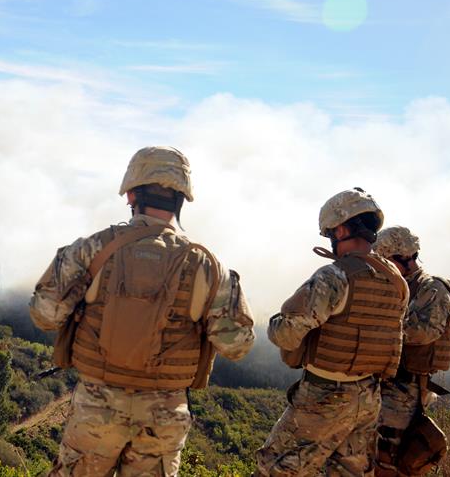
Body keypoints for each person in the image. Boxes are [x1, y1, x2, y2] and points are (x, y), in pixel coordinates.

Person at [29, 146, 255, 476]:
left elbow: (45, 315)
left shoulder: (92, 249)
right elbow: (237, 346)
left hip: (96, 409)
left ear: (131, 194)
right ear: (182, 199)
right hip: (163, 418)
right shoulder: (208, 266)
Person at [256, 188, 409, 476]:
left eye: (330, 234)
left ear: (340, 230)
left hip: (325, 396)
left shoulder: (335, 276)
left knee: (275, 468)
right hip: (368, 397)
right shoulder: (395, 279)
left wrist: (276, 321)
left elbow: (285, 334)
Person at [371, 226, 450, 476]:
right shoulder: (397, 286)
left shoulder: (431, 287)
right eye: (399, 259)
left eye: (412, 257)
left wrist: (378, 325)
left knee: (388, 459)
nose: (410, 264)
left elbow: (425, 332)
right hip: (384, 385)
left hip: (406, 390)